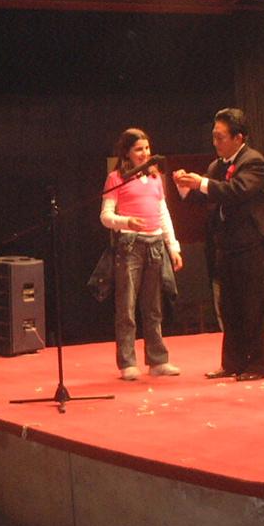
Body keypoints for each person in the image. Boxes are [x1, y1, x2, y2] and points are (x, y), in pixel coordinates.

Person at [174, 108, 264, 381]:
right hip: (227, 246)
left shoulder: (254, 162)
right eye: (214, 136)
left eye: (220, 137)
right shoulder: (217, 166)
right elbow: (207, 197)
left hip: (253, 246)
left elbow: (236, 191)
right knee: (230, 307)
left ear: (238, 137)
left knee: (254, 308)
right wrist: (185, 186)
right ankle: (232, 363)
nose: (215, 142)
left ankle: (257, 366)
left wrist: (201, 183)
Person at [100, 128, 184, 381]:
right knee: (126, 307)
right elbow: (105, 216)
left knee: (153, 307)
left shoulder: (155, 177)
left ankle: (158, 360)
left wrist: (173, 247)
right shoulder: (117, 178)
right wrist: (127, 222)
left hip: (155, 244)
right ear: (126, 152)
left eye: (147, 148)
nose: (145, 153)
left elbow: (163, 214)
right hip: (130, 245)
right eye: (138, 149)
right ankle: (127, 362)